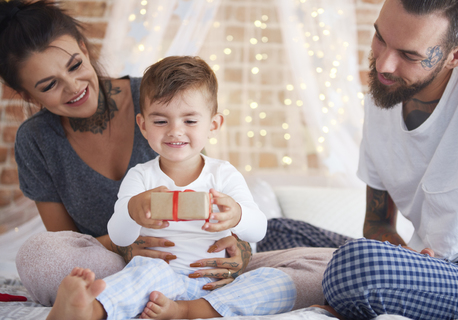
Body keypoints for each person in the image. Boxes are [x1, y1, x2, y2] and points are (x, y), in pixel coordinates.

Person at [0, 0, 335, 313]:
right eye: (49, 85)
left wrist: (239, 252)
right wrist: (130, 242)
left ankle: (182, 304)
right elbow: (68, 243)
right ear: (25, 93)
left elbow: (223, 202)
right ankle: (103, 303)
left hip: (205, 264)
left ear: (84, 49)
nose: (73, 86)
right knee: (39, 255)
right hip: (125, 267)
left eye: (75, 65)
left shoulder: (159, 97)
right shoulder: (37, 140)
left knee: (329, 265)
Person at [46, 55, 296, 320]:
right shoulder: (140, 177)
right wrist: (132, 210)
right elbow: (119, 237)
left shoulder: (223, 174)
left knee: (277, 282)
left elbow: (259, 230)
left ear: (213, 125)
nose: (175, 131)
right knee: (140, 274)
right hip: (161, 278)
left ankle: (185, 311)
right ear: (143, 125)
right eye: (161, 121)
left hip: (216, 284)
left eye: (189, 121)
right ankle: (86, 310)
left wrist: (238, 215)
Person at [321, 0, 458, 319]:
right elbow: (376, 223)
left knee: (356, 266)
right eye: (380, 38)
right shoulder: (385, 92)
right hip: (424, 266)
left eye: (409, 55)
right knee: (276, 229)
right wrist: (405, 256)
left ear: (457, 56)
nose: (383, 65)